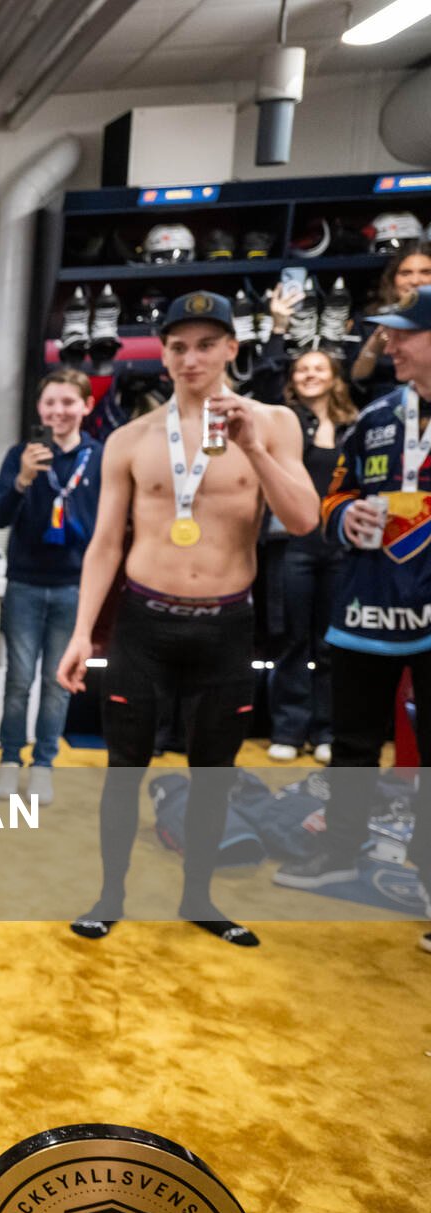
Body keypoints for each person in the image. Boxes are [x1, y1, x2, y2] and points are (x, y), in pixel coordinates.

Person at [57, 291, 317, 947]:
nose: (191, 357)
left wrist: (255, 449)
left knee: (213, 772)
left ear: (233, 348)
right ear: (163, 355)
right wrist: (83, 631)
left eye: (206, 344)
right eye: (178, 346)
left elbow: (304, 519)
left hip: (226, 628)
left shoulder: (275, 422)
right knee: (124, 767)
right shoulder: (130, 439)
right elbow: (105, 545)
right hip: (144, 625)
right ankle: (109, 895)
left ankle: (198, 897)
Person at [273, 285, 431, 956]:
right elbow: (330, 500)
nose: (388, 344)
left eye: (404, 334)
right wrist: (347, 518)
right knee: (355, 743)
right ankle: (338, 852)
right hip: (366, 604)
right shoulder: (376, 418)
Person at [0, 370, 102, 804]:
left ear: (86, 406)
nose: (58, 411)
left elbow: (106, 529)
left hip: (74, 587)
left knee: (58, 683)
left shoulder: (100, 455)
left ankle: (44, 764)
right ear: (39, 408)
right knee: (18, 680)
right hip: (24, 583)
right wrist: (21, 480)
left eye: (68, 402)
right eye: (50, 402)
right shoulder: (22, 454)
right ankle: (8, 760)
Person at [259, 344, 357, 762]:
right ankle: (287, 729)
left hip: (341, 548)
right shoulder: (284, 423)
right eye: (302, 369)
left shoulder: (356, 424)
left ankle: (326, 732)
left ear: (335, 377)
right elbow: (262, 387)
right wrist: (277, 333)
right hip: (292, 546)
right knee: (292, 641)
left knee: (332, 645)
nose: (311, 375)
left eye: (319, 368)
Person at [350, 244, 431, 402]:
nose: (415, 280)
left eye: (426, 272)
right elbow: (355, 380)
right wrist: (375, 345)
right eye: (406, 273)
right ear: (393, 280)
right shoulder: (370, 321)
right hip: (385, 407)